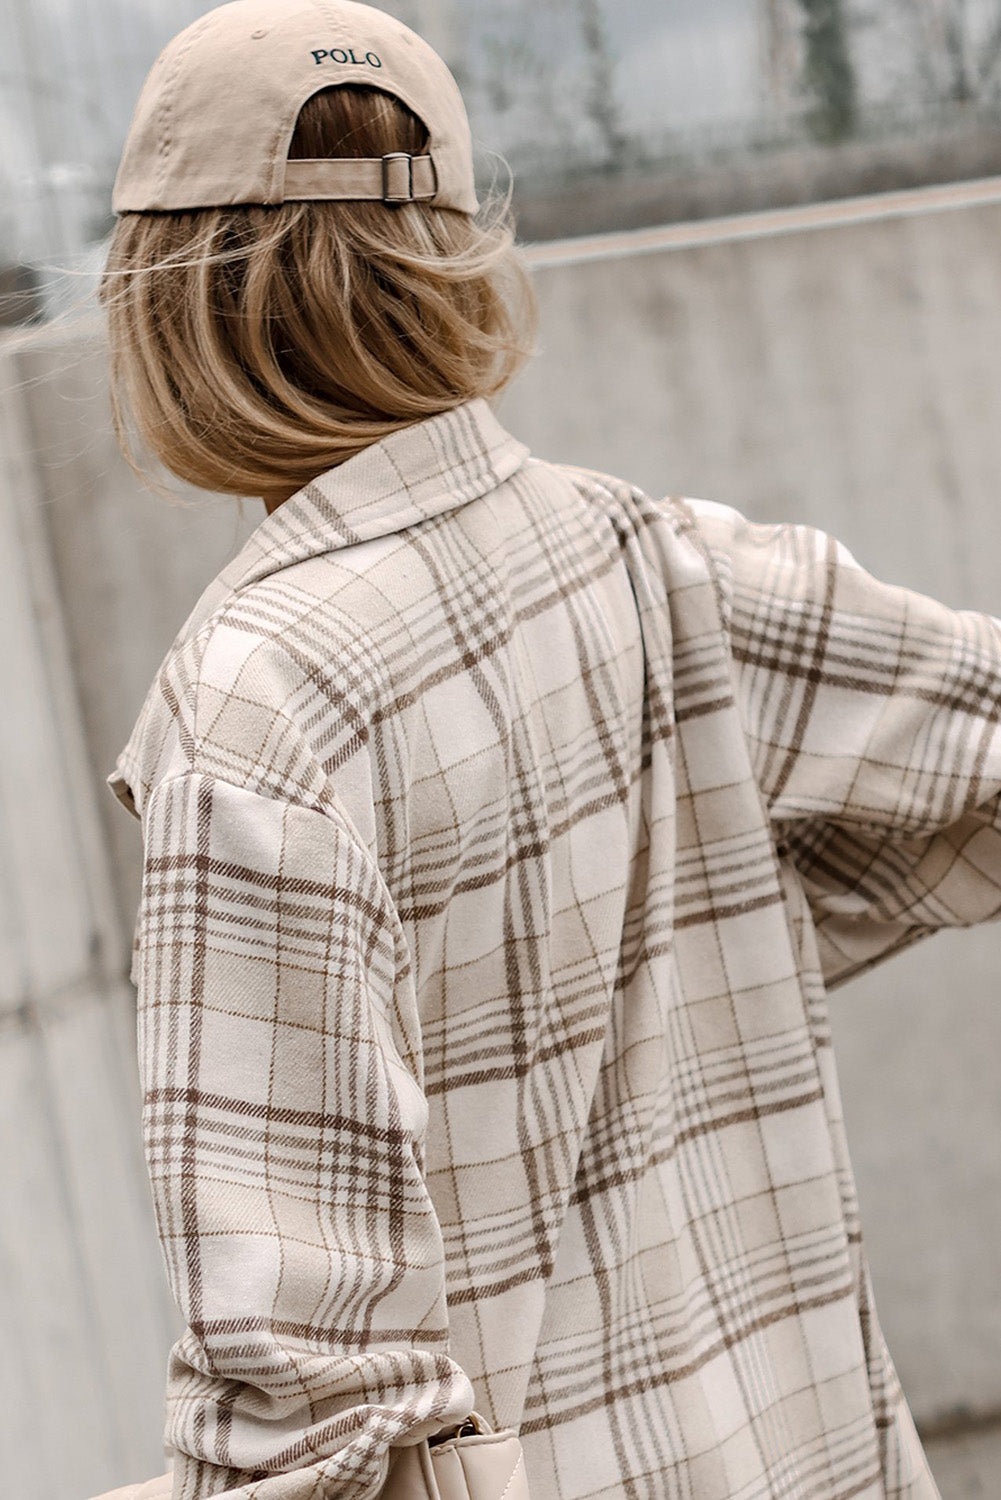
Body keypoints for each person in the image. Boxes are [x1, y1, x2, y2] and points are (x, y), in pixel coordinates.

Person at [99, 2, 997, 1497]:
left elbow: (311, 1407)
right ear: (454, 258)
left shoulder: (254, 715)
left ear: (168, 302)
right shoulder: (658, 567)